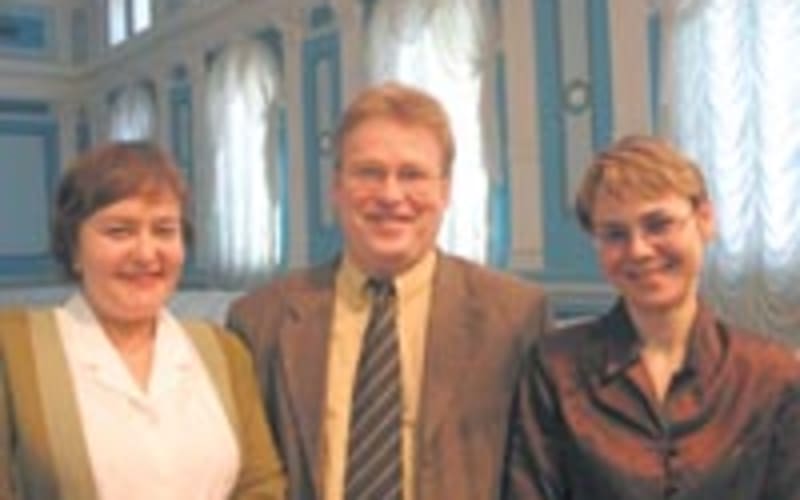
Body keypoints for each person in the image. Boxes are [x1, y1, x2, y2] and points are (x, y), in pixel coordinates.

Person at [227, 82, 551, 500]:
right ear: (337, 187)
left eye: (412, 174)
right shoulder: (260, 321)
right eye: (369, 173)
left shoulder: (514, 318)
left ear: (445, 190)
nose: (391, 195)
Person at [505, 135, 800, 499]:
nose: (639, 250)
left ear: (705, 220)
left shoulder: (770, 376)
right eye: (615, 234)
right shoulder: (555, 369)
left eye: (658, 225)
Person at [0, 142, 286, 499]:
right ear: (74, 248)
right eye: (119, 231)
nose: (146, 253)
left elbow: (261, 484)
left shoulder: (224, 351)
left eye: (164, 230)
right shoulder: (14, 352)